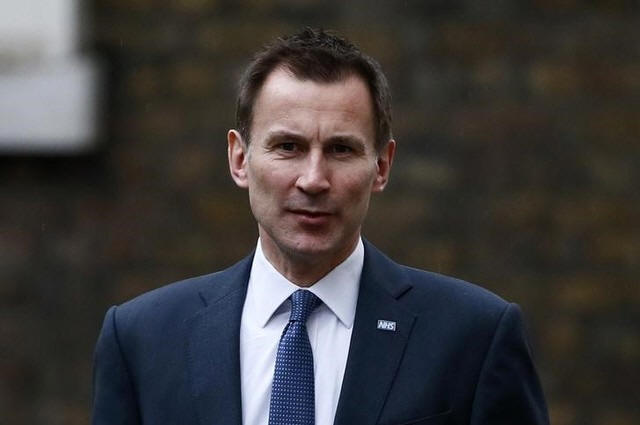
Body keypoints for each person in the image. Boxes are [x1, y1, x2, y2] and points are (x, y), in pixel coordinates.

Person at [92, 28, 549, 425]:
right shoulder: (142, 339)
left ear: (382, 166)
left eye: (341, 150)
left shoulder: (472, 336)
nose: (313, 179)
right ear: (239, 159)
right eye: (288, 147)